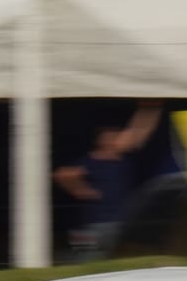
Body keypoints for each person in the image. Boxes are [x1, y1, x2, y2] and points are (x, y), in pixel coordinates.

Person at [54, 101, 163, 260]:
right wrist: (81, 190)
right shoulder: (90, 161)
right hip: (91, 226)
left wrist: (151, 107)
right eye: (113, 137)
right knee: (83, 262)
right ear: (102, 141)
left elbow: (139, 131)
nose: (118, 139)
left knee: (115, 261)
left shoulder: (121, 159)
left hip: (117, 224)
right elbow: (62, 174)